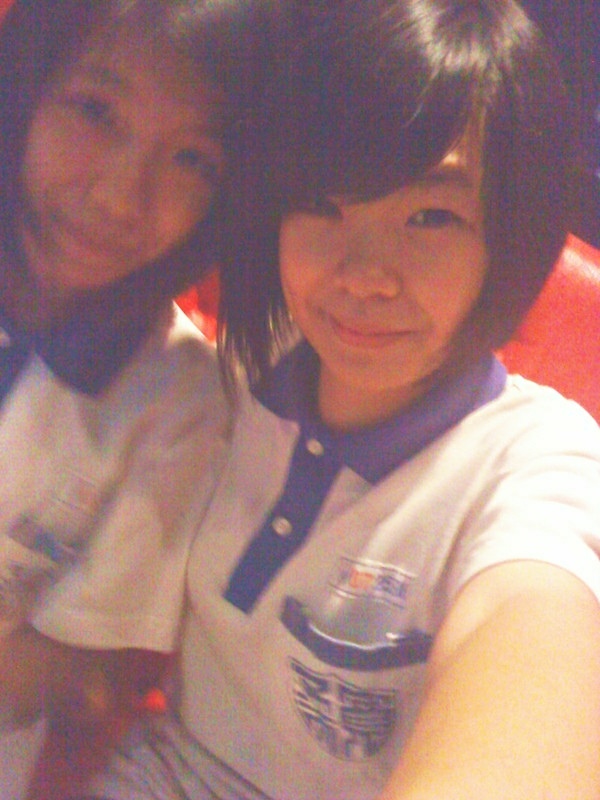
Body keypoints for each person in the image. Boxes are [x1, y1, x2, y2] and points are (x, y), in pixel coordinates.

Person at [75, 1, 600, 799]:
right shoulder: (230, 378)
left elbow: (534, 627)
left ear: (512, 235)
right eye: (324, 203)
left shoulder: (535, 470)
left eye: (431, 216)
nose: (364, 275)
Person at [0, 0, 280, 781]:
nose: (120, 199)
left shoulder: (179, 401)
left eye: (191, 159)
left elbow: (82, 663)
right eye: (96, 112)